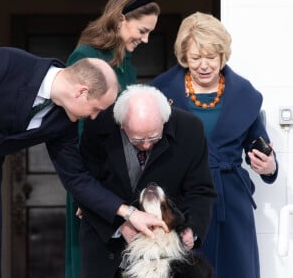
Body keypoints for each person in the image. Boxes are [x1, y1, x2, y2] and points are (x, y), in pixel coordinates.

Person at [0, 47, 167, 278]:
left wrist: (130, 213)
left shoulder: (64, 122)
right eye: (95, 109)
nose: (94, 116)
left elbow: (76, 178)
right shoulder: (5, 62)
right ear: (81, 92)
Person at [150, 11, 278, 278]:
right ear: (184, 57)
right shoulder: (160, 91)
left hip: (231, 201)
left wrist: (269, 166)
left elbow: (260, 145)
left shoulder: (245, 94)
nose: (204, 65)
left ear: (223, 55)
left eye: (211, 57)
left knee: (236, 270)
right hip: (182, 202)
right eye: (196, 58)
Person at [65, 0, 161, 278]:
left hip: (121, 180)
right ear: (121, 20)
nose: (145, 39)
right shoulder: (85, 56)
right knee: (92, 264)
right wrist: (87, 195)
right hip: (93, 181)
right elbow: (77, 130)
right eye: (142, 30)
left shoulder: (126, 63)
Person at [77, 84, 217, 278]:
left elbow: (200, 189)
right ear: (121, 124)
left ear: (164, 120)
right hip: (106, 246)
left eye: (154, 137)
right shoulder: (98, 124)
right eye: (136, 139)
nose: (146, 145)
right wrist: (120, 225)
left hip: (167, 257)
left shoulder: (190, 128)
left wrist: (191, 228)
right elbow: (84, 186)